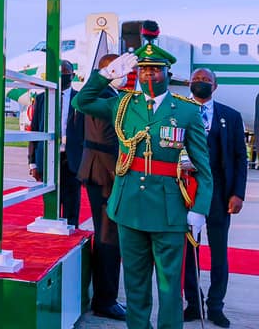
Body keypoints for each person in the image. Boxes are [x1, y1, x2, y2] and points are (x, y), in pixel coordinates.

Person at [72, 38, 213, 329]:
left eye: (156, 70)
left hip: (168, 210)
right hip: (130, 207)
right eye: (145, 70)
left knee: (169, 288)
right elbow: (80, 102)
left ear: (167, 74)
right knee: (135, 286)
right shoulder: (123, 104)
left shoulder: (186, 112)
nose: (150, 75)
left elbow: (202, 167)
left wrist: (199, 209)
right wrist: (105, 75)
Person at [182, 68, 247, 327]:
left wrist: (238, 194)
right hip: (188, 192)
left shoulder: (231, 116)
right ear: (189, 83)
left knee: (219, 252)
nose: (201, 83)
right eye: (196, 80)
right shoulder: (178, 112)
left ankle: (216, 305)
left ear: (215, 86)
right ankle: (193, 304)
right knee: (189, 250)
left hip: (221, 194)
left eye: (206, 81)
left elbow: (240, 158)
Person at [77, 53, 128, 321]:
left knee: (110, 235)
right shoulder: (104, 96)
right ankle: (105, 300)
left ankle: (106, 296)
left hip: (104, 171)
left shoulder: (110, 95)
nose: (127, 73)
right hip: (105, 173)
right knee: (109, 236)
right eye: (122, 68)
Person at [28, 59, 84, 227]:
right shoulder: (42, 99)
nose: (61, 78)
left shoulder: (80, 100)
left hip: (72, 157)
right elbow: (35, 130)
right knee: (51, 197)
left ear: (72, 76)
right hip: (48, 155)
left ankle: (72, 229)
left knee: (72, 199)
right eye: (58, 75)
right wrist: (32, 163)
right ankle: (51, 227)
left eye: (65, 75)